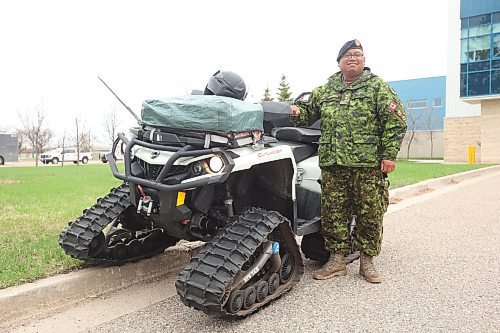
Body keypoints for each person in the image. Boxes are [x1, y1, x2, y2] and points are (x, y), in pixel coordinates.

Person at [291, 39, 407, 283]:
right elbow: (307, 114)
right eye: (348, 55)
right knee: (334, 213)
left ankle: (367, 261)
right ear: (339, 62)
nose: (353, 58)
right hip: (334, 164)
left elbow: (395, 121)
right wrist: (295, 111)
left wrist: (389, 154)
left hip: (368, 165)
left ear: (364, 61)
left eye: (358, 54)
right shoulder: (327, 89)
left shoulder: (377, 87)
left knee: (370, 213)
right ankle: (337, 261)